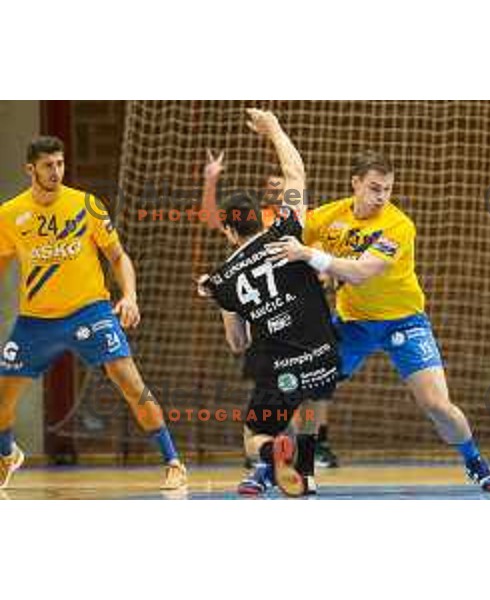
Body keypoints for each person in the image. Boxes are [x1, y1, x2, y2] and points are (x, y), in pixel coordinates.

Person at [266, 150, 490, 492]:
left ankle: (474, 461)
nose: (381, 196)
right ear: (356, 184)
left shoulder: (398, 225)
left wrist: (309, 255)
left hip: (404, 322)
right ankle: (301, 467)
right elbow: (293, 228)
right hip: (354, 324)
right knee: (307, 384)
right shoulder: (329, 216)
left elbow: (362, 272)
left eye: (387, 189)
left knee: (437, 405)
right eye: (374, 188)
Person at [0, 136, 187, 490]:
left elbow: (117, 257)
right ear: (30, 169)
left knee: (129, 380)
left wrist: (129, 295)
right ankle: (7, 455)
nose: (56, 171)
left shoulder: (86, 205)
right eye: (47, 165)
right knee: (2, 401)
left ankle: (173, 461)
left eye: (60, 163)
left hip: (90, 311)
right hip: (36, 321)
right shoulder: (9, 214)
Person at [199, 109, 340, 496]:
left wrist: (222, 299)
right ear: (258, 220)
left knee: (255, 433)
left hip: (278, 368)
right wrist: (274, 128)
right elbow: (296, 174)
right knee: (309, 405)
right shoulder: (285, 231)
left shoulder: (223, 281)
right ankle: (304, 474)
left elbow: (237, 344)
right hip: (323, 354)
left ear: (229, 230)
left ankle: (271, 452)